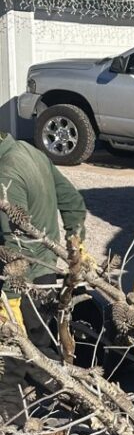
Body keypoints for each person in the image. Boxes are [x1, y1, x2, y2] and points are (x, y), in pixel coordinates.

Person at [0, 131, 86, 414]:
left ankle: (12, 434)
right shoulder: (29, 150)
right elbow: (73, 202)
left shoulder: (6, 173)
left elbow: (14, 245)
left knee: (8, 360)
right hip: (45, 277)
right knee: (41, 351)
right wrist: (76, 246)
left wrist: (10, 301)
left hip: (22, 284)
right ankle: (78, 404)